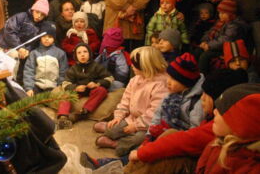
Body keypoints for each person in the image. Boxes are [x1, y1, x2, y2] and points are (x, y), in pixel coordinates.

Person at [81, 68, 248, 172]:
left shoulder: (213, 120)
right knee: (151, 142)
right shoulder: (154, 88)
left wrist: (143, 143)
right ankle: (114, 163)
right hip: (154, 129)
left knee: (158, 147)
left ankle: (116, 161)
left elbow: (187, 137)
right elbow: (155, 115)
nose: (203, 99)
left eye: (206, 97)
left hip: (158, 130)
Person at [93, 46, 168, 156]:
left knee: (138, 138)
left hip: (148, 126)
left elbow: (154, 113)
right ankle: (111, 129)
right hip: (131, 118)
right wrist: (118, 116)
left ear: (146, 66)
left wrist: (136, 126)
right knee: (112, 130)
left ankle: (117, 143)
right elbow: (125, 100)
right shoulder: (135, 79)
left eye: (135, 64)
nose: (132, 66)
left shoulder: (161, 85)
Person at [195, 83, 260, 173]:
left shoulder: (251, 167)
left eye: (221, 110)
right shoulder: (216, 144)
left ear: (239, 124)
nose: (214, 112)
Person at [147, 53, 204, 142]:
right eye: (168, 77)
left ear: (186, 82)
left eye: (174, 79)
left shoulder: (196, 102)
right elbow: (158, 115)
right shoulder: (170, 94)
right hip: (160, 134)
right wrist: (149, 134)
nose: (168, 82)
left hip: (180, 141)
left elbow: (195, 132)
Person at [57, 43, 113, 129]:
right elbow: (65, 83)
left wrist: (97, 84)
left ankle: (83, 112)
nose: (82, 54)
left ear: (90, 54)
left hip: (92, 90)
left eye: (85, 52)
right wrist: (76, 87)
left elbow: (109, 78)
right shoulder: (73, 69)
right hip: (78, 90)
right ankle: (63, 117)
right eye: (79, 53)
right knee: (66, 94)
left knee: (102, 90)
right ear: (75, 56)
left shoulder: (96, 66)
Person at [0, 0, 49, 85]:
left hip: (18, 49)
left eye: (42, 15)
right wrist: (20, 48)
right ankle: (6, 83)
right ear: (33, 9)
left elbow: (32, 42)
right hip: (3, 44)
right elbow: (9, 31)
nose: (39, 16)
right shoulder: (21, 17)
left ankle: (17, 84)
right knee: (10, 61)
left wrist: (27, 51)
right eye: (37, 12)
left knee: (29, 60)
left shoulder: (40, 26)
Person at [196, 0, 249, 74]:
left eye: (223, 13)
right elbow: (211, 32)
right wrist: (204, 41)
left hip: (228, 49)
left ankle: (202, 76)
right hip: (218, 46)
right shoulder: (223, 22)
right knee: (198, 51)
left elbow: (226, 39)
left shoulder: (234, 25)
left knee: (205, 56)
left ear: (231, 14)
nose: (220, 15)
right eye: (219, 13)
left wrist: (209, 45)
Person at [23, 21, 68, 97]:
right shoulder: (34, 53)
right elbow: (29, 71)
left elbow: (63, 72)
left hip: (53, 87)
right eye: (44, 36)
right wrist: (29, 88)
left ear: (54, 38)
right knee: (28, 101)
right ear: (40, 37)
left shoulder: (60, 54)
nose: (46, 39)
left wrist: (60, 86)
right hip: (36, 86)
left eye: (50, 37)